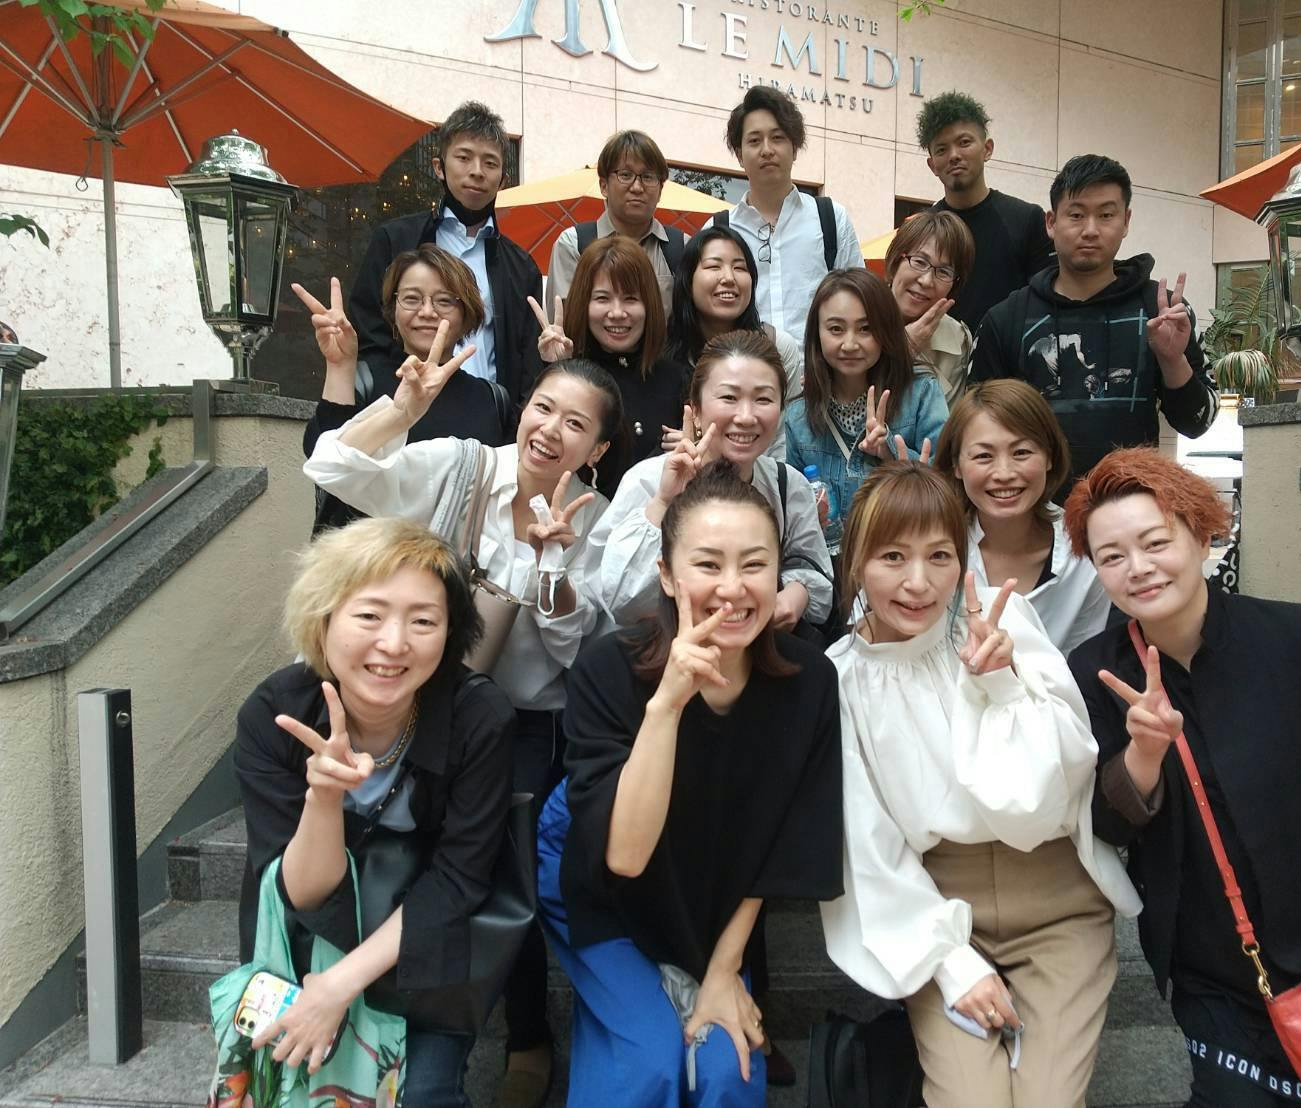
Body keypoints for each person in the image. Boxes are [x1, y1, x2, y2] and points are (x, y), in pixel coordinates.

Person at [1063, 448, 1301, 1107]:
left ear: (1201, 534)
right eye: (1112, 556)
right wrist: (1144, 752)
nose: (1137, 567)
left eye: (1155, 543)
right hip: (1207, 960)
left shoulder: (1297, 638)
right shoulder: (1096, 671)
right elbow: (1106, 826)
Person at [303, 346, 624, 1106]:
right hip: (415, 703)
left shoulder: (599, 520)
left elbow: (577, 654)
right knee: (405, 858)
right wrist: (400, 412)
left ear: (598, 448)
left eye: (575, 424)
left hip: (527, 722)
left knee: (504, 875)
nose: (551, 430)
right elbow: (332, 467)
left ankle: (526, 1035)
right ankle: (400, 1016)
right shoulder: (461, 465)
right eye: (543, 407)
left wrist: (552, 567)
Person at [820, 460, 1139, 1108]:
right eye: (892, 556)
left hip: (1057, 899)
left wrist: (1001, 687)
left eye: (939, 555)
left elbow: (1056, 788)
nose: (918, 582)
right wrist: (951, 964)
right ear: (854, 562)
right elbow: (866, 844)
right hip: (937, 909)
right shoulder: (839, 679)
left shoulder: (1004, 623)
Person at [538, 459, 844, 1107]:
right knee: (646, 1068)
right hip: (602, 887)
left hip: (716, 893)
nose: (732, 587)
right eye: (707, 564)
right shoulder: (608, 670)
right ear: (667, 576)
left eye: (755, 564)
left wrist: (725, 970)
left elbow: (788, 845)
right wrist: (667, 705)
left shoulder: (810, 681)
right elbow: (622, 856)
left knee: (727, 1073)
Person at [235, 515, 513, 1105]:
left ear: (450, 632)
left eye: (423, 621)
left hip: (423, 961)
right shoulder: (275, 715)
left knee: (423, 1096)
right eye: (369, 615)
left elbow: (459, 878)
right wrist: (323, 798)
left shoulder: (478, 718)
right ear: (323, 618)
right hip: (305, 949)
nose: (394, 643)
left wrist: (340, 986)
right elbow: (298, 891)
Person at [971, 154, 1218, 483]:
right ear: (1051, 223)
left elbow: (1197, 423)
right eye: (1076, 215)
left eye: (1106, 215)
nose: (1090, 230)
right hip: (1033, 508)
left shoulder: (1163, 313)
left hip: (1131, 504)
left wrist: (1172, 361)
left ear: (1126, 221)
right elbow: (976, 430)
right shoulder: (1006, 319)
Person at [591, 328, 832, 632]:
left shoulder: (787, 484)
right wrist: (664, 502)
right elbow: (618, 600)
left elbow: (815, 571)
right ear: (696, 408)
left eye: (763, 399)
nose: (746, 416)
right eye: (729, 397)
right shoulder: (648, 480)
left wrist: (799, 593)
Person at [296, 248, 515, 532]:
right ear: (393, 309)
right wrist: (340, 366)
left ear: (467, 313)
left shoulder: (492, 400)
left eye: (444, 301)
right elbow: (321, 459)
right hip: (368, 554)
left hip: (455, 557)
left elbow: (507, 493)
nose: (427, 312)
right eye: (412, 299)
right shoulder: (365, 379)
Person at [349, 101, 543, 404]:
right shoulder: (396, 240)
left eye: (490, 163)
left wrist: (513, 417)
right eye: (464, 158)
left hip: (489, 417)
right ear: (439, 167)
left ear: (503, 179)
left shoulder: (522, 267)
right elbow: (368, 329)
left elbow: (528, 361)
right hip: (405, 407)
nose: (477, 172)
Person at [935, 380, 1110, 654]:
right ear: (956, 465)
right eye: (983, 456)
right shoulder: (931, 544)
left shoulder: (1087, 552)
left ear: (1049, 457)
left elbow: (1082, 663)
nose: (1004, 473)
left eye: (1021, 453)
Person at [784, 268, 948, 528]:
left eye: (866, 329)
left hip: (906, 544)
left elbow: (951, 482)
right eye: (836, 329)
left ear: (887, 330)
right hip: (829, 553)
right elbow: (791, 512)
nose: (850, 344)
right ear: (817, 333)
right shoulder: (798, 417)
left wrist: (889, 453)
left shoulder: (920, 393)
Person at [529, 236, 687, 493]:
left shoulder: (676, 378)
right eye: (602, 298)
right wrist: (557, 368)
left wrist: (693, 445)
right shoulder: (566, 372)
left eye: (630, 299)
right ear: (584, 302)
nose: (617, 313)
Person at [708, 86, 862, 340]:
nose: (767, 150)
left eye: (777, 138)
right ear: (739, 154)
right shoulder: (718, 230)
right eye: (754, 141)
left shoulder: (832, 220)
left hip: (817, 366)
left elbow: (860, 302)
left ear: (795, 147)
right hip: (747, 364)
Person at [917, 92, 1052, 347]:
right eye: (942, 149)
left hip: (1009, 361)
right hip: (939, 361)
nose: (954, 155)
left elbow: (1044, 304)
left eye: (964, 142)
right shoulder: (920, 230)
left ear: (987, 149)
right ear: (933, 165)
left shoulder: (1028, 219)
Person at [665, 225, 803, 457]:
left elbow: (781, 443)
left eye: (739, 267)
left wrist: (712, 444)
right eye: (713, 266)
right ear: (687, 279)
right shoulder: (661, 351)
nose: (729, 278)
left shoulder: (778, 347)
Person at [546, 130, 686, 317]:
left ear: (660, 190)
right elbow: (565, 323)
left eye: (648, 177)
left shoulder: (682, 247)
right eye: (625, 175)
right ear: (604, 186)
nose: (637, 187)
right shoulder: (574, 245)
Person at [884, 209, 976, 406]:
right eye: (919, 261)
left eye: (944, 272)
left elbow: (948, 420)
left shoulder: (957, 340)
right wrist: (903, 350)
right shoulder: (857, 316)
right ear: (896, 260)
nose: (926, 281)